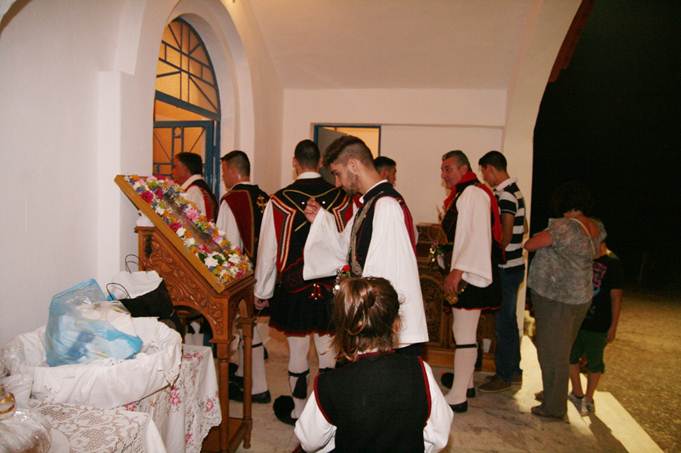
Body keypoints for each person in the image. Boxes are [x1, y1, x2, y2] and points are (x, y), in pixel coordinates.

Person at [294, 277, 453, 453]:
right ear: (396, 324)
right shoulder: (420, 371)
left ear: (344, 326)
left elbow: (308, 440)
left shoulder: (329, 384)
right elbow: (440, 435)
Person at [254, 139, 351, 426]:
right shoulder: (341, 198)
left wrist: (262, 290)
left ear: (295, 162)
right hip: (331, 285)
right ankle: (325, 413)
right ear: (320, 162)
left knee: (297, 352)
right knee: (327, 352)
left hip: (294, 287)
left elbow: (268, 250)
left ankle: (298, 411)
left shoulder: (279, 200)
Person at [303, 135, 429, 356]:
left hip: (382, 325)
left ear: (353, 165)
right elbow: (346, 248)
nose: (337, 183)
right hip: (374, 321)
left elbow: (382, 275)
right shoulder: (370, 203)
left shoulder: (385, 205)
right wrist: (321, 220)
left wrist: (363, 318)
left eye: (337, 173)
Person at [525, 181, 603, 420]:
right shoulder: (596, 226)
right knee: (562, 348)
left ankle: (554, 407)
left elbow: (530, 244)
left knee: (551, 352)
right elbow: (599, 252)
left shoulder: (564, 227)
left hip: (556, 297)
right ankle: (553, 393)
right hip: (580, 296)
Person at [439, 150, 502, 413]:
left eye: (448, 168)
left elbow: (476, 238)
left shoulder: (473, 194)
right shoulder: (467, 193)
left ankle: (457, 397)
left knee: (463, 332)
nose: (444, 174)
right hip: (468, 268)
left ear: (464, 168)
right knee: (464, 329)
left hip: (470, 272)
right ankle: (466, 385)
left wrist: (457, 271)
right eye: (442, 169)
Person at [216, 150, 271, 404]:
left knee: (248, 327)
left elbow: (225, 244)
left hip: (241, 276)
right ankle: (243, 373)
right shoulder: (265, 197)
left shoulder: (232, 200)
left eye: (223, 170)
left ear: (232, 170)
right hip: (263, 274)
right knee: (249, 325)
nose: (223, 176)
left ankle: (258, 387)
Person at [477, 150, 527, 392]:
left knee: (503, 324)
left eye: (484, 172)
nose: (484, 177)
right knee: (509, 321)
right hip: (515, 266)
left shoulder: (505, 195)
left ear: (491, 168)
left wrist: (492, 250)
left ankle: (504, 374)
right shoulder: (516, 191)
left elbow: (505, 236)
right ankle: (514, 370)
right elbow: (524, 226)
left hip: (506, 268)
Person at [568, 228, 623, 415]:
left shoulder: (613, 263)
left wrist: (613, 326)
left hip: (599, 323)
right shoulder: (585, 258)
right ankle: (577, 392)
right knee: (570, 356)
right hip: (578, 320)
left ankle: (589, 398)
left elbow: (616, 296)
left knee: (595, 362)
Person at [172, 152, 218, 221]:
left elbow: (189, 223)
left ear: (185, 169)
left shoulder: (193, 191)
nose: (172, 171)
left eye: (175, 167)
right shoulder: (197, 187)